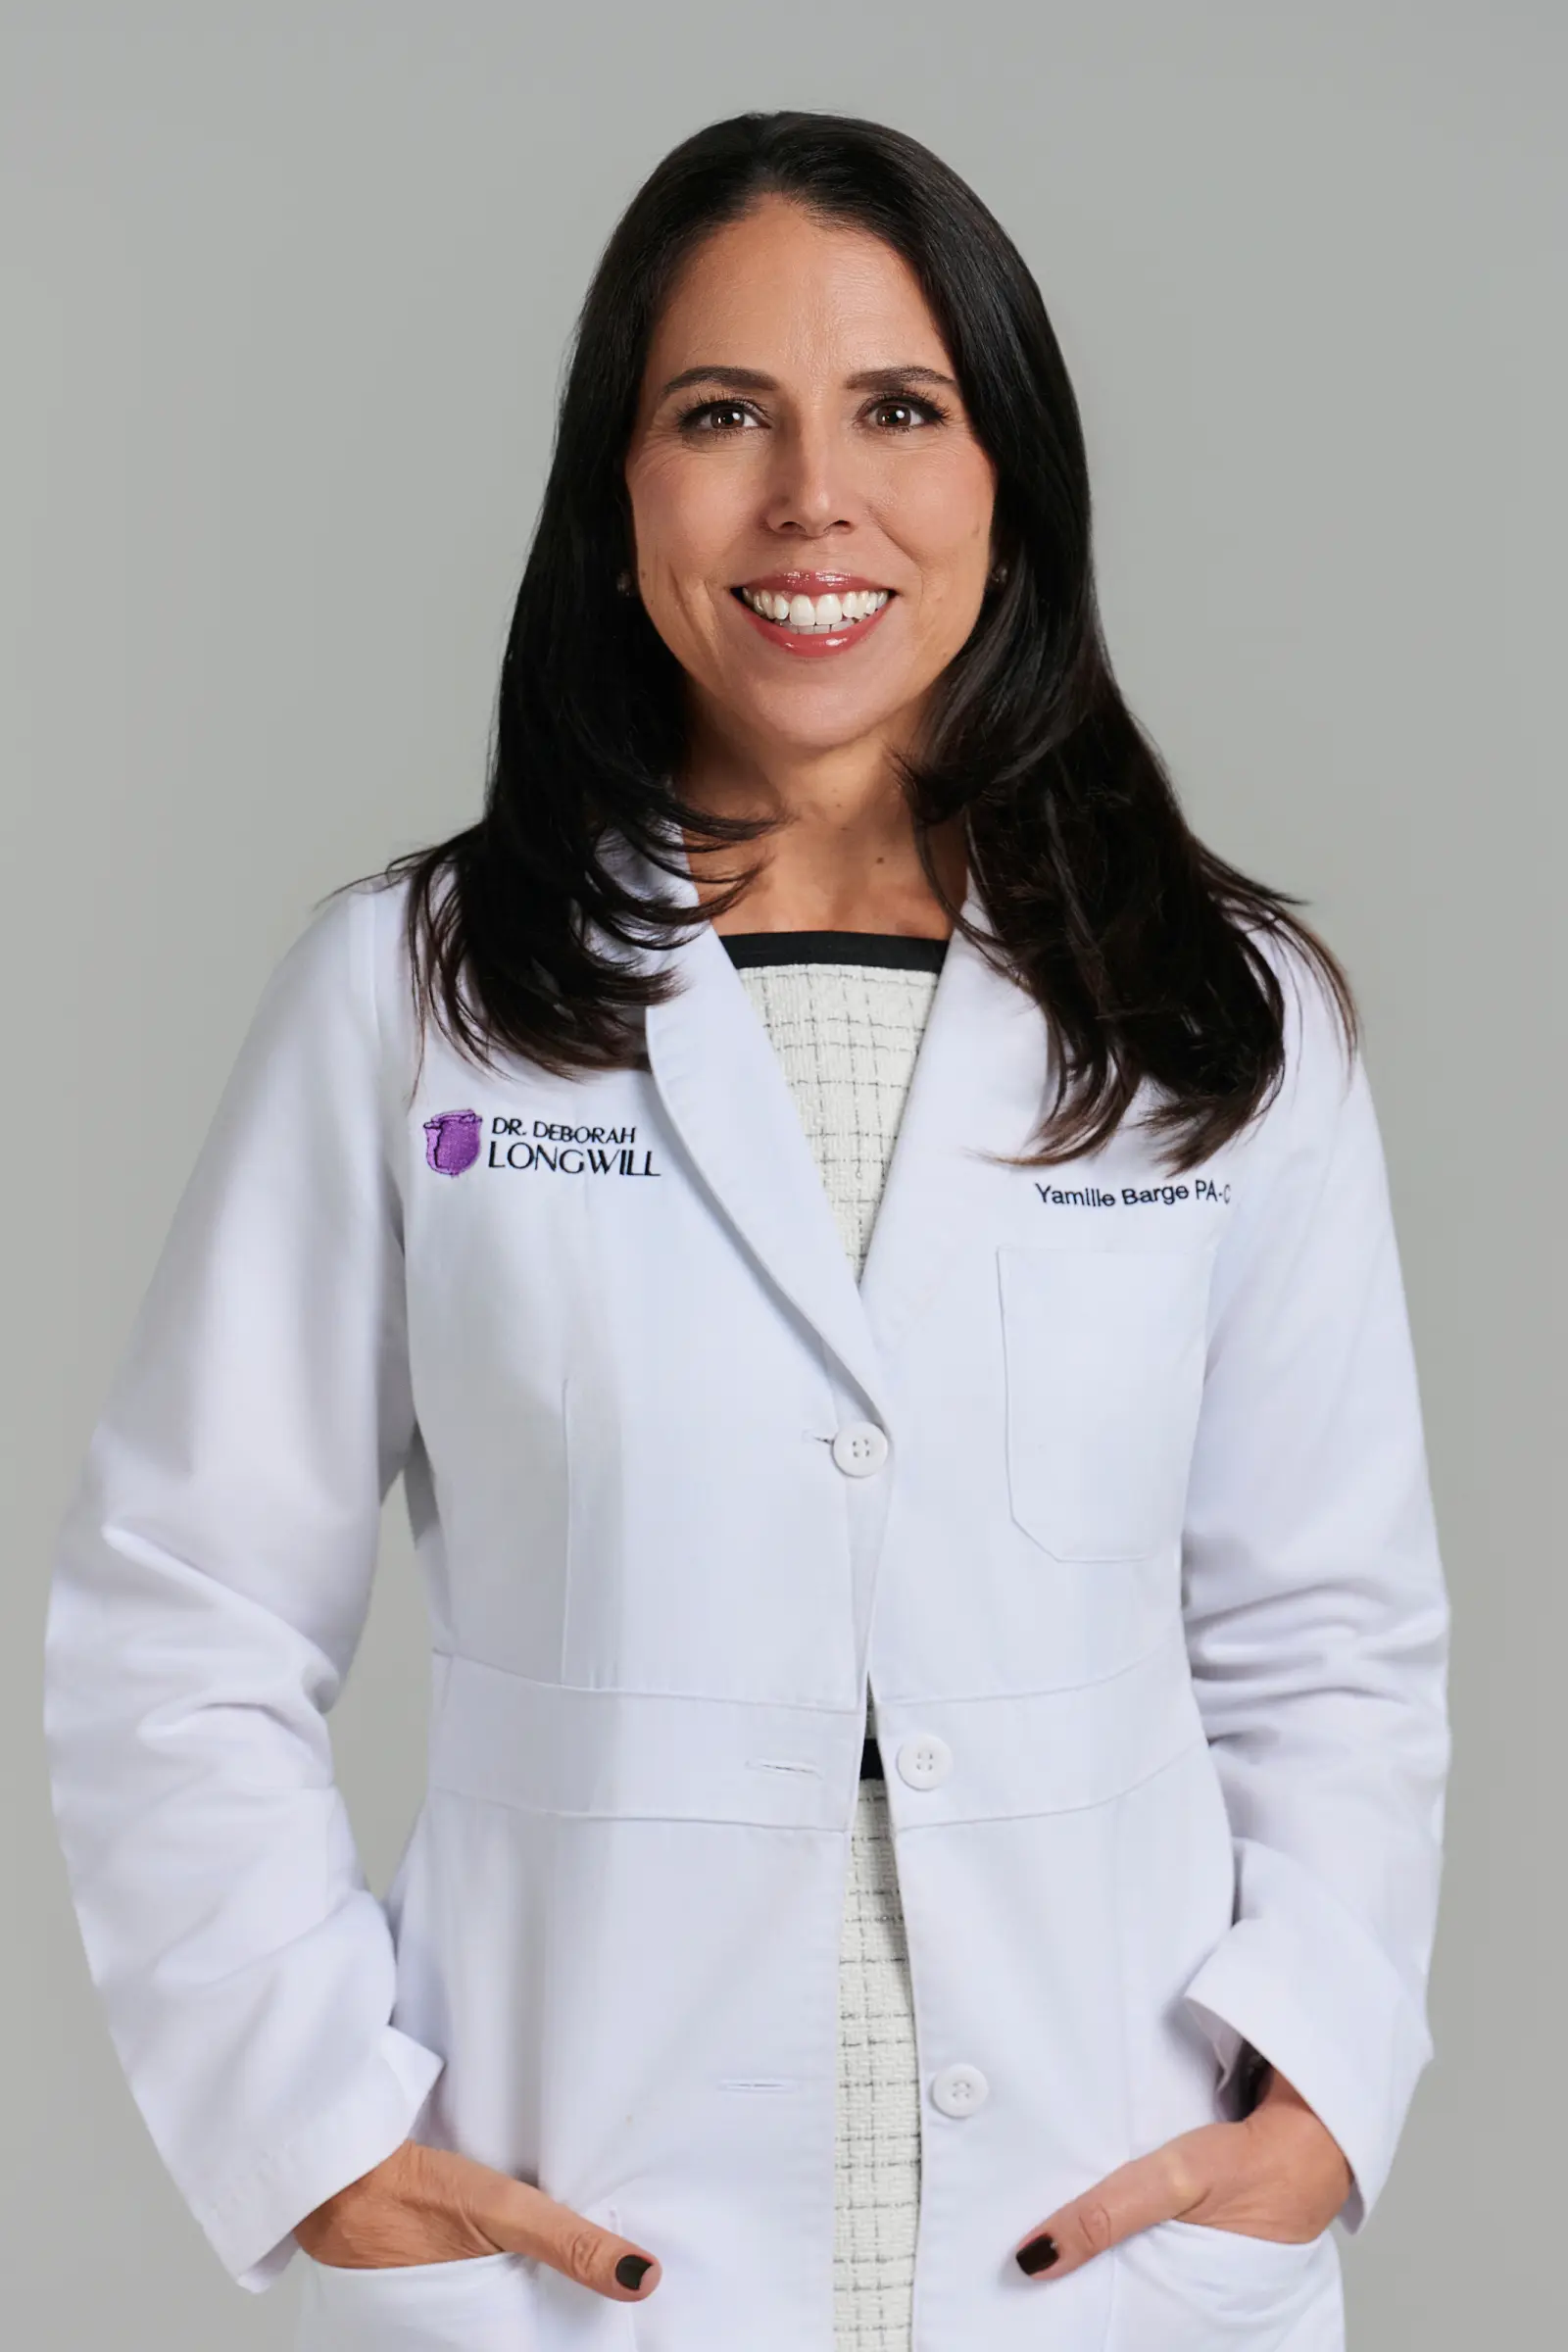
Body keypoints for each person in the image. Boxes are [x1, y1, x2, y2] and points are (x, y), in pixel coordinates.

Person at [43, 109, 1450, 2352]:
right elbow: (180, 1619)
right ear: (620, 498)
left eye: (899, 410)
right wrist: (304, 2122)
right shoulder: (408, 998)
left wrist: (1314, 2087)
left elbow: (1328, 1631)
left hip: (1108, 2232)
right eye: (724, 417)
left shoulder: (1222, 1016)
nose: (814, 501)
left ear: (1011, 482)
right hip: (581, 2240)